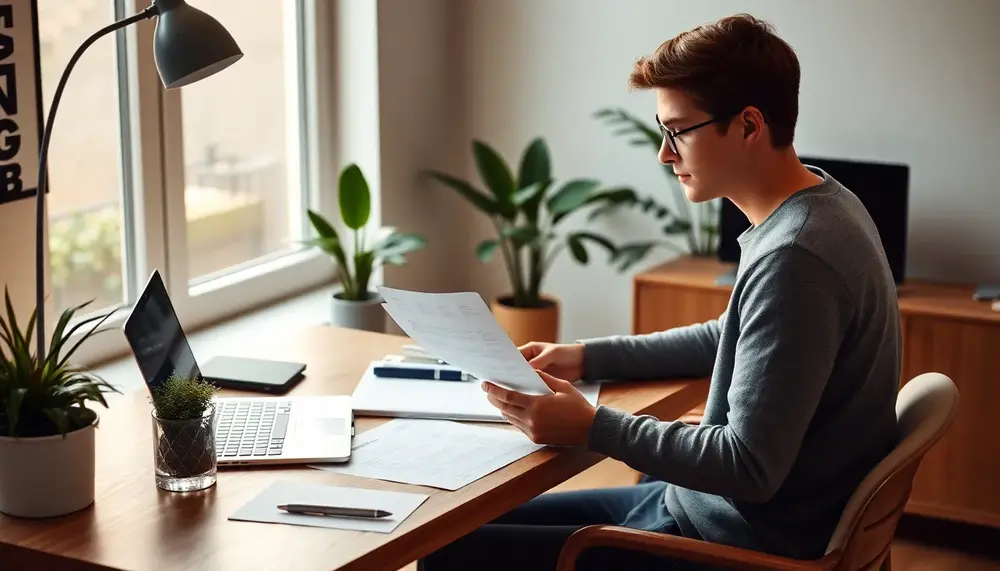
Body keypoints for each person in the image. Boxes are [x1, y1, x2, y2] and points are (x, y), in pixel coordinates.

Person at [418, 12, 900, 571]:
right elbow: (736, 336)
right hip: (714, 514)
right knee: (464, 525)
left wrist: (592, 427)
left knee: (449, 551)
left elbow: (749, 466)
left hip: (733, 543)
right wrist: (587, 355)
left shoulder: (795, 256)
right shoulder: (825, 203)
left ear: (748, 125)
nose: (664, 154)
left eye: (678, 131)